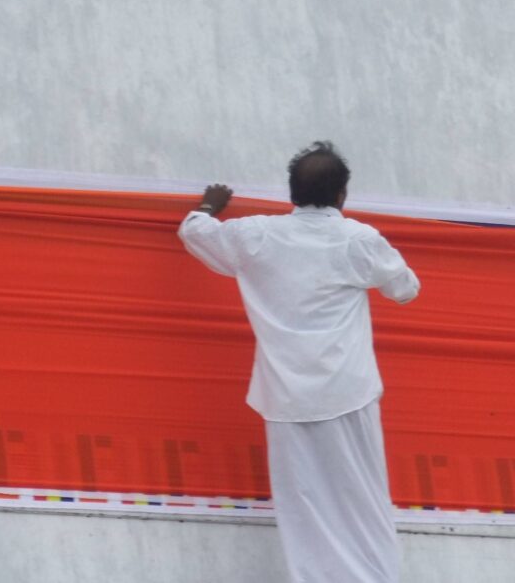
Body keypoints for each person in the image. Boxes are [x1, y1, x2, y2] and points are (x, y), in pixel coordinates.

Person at [178, 141, 419, 583]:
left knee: (301, 504)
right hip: (348, 393)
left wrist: (209, 205)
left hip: (285, 398)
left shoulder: (256, 235)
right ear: (342, 196)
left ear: (291, 193)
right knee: (362, 500)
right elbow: (404, 289)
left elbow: (194, 232)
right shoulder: (359, 239)